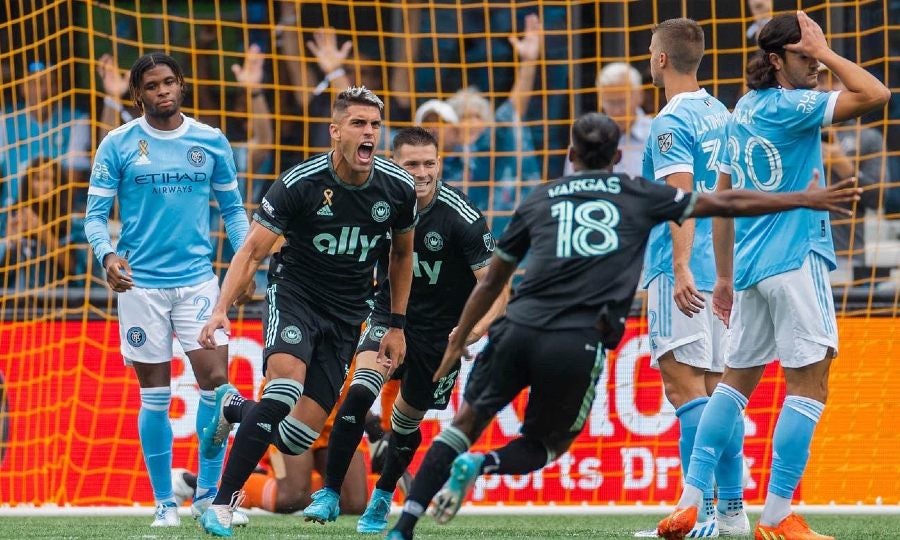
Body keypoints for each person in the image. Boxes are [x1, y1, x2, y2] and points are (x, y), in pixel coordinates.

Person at [384, 111, 862, 540]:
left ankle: (403, 527)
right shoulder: (640, 193)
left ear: (570, 155)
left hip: (518, 329)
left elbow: (491, 286)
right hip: (575, 341)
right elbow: (726, 203)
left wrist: (461, 339)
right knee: (546, 445)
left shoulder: (539, 198)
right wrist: (804, 196)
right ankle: (483, 465)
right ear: (618, 156)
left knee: (462, 425)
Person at [657, 12, 890, 540]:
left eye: (817, 58)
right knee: (811, 383)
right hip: (797, 258)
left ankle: (691, 502)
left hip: (751, 268)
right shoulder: (793, 105)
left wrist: (722, 277)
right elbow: (877, 95)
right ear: (777, 60)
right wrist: (831, 53)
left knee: (736, 386)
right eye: (806, 58)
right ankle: (777, 516)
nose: (816, 68)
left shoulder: (741, 111)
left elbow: (719, 201)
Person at [195, 86, 417, 538]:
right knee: (281, 392)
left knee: (295, 435)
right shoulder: (302, 182)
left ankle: (234, 408)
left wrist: (396, 325)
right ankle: (219, 504)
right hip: (295, 296)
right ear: (335, 132)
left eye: (374, 124)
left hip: (348, 315)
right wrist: (221, 309)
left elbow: (400, 258)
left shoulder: (398, 188)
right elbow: (253, 251)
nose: (368, 132)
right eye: (358, 123)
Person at [302, 127, 508, 533]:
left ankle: (382, 497)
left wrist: (474, 331)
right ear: (393, 164)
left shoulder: (461, 217)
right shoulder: (375, 200)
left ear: (439, 164)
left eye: (429, 163)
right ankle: (328, 493)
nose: (422, 172)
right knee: (359, 393)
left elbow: (497, 288)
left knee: (403, 426)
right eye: (411, 164)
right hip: (389, 316)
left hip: (442, 335)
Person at [82, 52, 251, 528]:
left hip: (198, 282)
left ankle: (209, 498)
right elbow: (94, 217)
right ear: (138, 94)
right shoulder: (117, 144)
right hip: (141, 288)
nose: (164, 91)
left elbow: (233, 211)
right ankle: (164, 503)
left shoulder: (210, 140)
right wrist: (107, 255)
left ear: (182, 85)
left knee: (217, 389)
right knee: (154, 397)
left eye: (170, 82)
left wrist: (243, 263)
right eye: (153, 85)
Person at [634, 19, 749, 539]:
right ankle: (731, 513)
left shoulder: (668, 121)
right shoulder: (720, 112)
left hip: (681, 270)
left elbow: (682, 196)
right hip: (725, 268)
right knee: (714, 394)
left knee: (686, 393)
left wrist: (679, 266)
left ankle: (698, 516)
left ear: (659, 59)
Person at [444, 13, 543, 228]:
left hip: (519, 246)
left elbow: (515, 107)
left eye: (476, 116)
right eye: (462, 117)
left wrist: (528, 61)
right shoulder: (446, 168)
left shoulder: (502, 141)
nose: (469, 123)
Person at [2, 157, 85, 290]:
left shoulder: (73, 221)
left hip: (62, 298)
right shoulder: (14, 215)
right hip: (21, 299)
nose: (45, 185)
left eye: (51, 179)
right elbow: (5, 275)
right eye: (39, 179)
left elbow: (77, 270)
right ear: (28, 183)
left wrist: (44, 234)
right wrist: (11, 241)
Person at [564, 62, 652, 180]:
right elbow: (570, 180)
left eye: (621, 102)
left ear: (639, 96)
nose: (616, 111)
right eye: (610, 102)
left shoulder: (655, 132)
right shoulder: (585, 135)